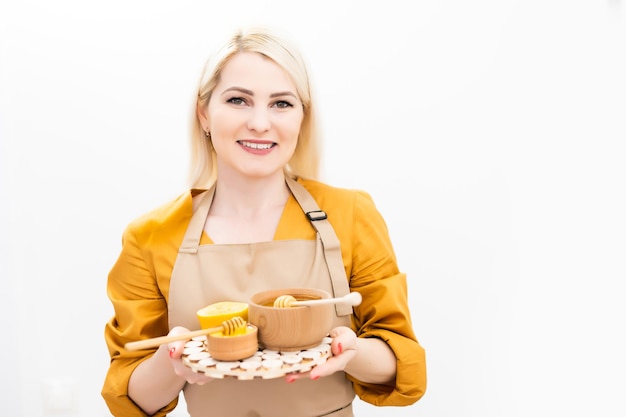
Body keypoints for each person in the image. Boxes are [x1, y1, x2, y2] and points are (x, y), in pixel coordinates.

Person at [101, 25, 427, 417]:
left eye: (281, 103)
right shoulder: (150, 237)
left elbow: (402, 364)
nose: (259, 122)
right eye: (238, 100)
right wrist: (173, 363)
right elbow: (130, 398)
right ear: (204, 114)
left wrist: (351, 352)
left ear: (302, 117)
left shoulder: (351, 215)